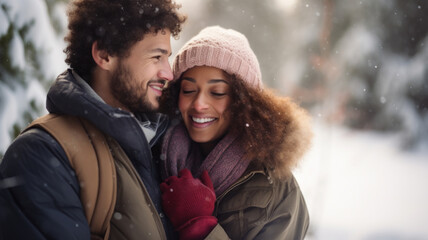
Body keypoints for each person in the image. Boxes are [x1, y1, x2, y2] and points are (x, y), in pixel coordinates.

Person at [0, 0, 185, 239]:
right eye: (156, 57)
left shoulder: (167, 148)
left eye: (167, 57)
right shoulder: (41, 155)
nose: (168, 73)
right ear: (104, 54)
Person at [158, 26, 313, 240]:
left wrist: (199, 228)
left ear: (244, 102)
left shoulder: (276, 189)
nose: (199, 104)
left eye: (218, 92)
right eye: (189, 90)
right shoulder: (154, 155)